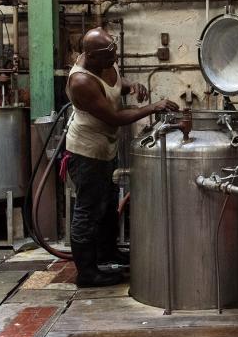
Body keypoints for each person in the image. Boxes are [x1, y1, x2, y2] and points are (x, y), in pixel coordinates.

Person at [66, 26, 180, 287]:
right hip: (87, 151)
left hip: (105, 146)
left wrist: (133, 86)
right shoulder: (81, 81)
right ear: (91, 57)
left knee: (107, 202)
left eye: (114, 54)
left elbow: (117, 80)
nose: (114, 61)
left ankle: (107, 254)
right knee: (88, 209)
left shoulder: (104, 60)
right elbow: (114, 117)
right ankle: (87, 273)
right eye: (109, 58)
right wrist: (152, 107)